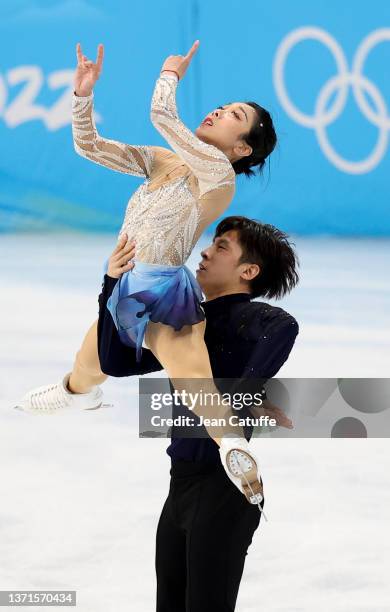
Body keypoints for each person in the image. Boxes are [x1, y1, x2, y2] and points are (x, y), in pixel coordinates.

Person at [16, 40, 278, 507]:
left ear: (242, 147)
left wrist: (169, 74)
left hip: (166, 293)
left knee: (191, 375)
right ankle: (76, 393)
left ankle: (232, 447)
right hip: (125, 285)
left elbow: (162, 114)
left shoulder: (218, 174)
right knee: (88, 364)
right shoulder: (162, 160)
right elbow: (89, 146)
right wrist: (82, 96)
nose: (218, 112)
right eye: (221, 106)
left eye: (233, 115)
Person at [98, 215, 299, 611]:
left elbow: (282, 328)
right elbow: (114, 361)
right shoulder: (186, 327)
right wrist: (111, 282)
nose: (205, 251)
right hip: (179, 488)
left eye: (222, 246)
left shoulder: (257, 319)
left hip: (224, 490)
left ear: (248, 271)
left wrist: (245, 393)